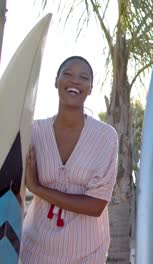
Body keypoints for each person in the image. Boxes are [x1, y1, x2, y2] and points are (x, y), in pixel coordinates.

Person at [20, 56, 118, 263]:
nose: (75, 81)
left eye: (83, 77)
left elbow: (96, 206)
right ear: (56, 81)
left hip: (87, 252)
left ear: (90, 88)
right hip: (35, 250)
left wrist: (38, 189)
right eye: (67, 74)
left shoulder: (105, 137)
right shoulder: (33, 132)